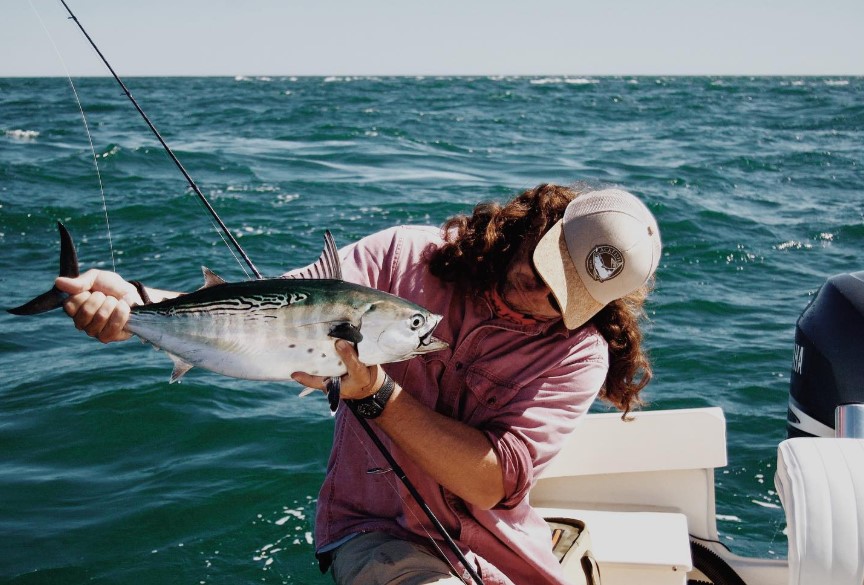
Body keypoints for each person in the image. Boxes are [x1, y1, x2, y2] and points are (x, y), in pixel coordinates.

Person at [57, 183, 662, 585]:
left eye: (563, 299)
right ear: (531, 227)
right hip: (379, 530)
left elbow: (495, 480)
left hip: (502, 544)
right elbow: (272, 311)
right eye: (540, 271)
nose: (538, 300)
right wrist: (137, 305)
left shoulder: (577, 354)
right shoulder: (404, 256)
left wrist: (378, 395)